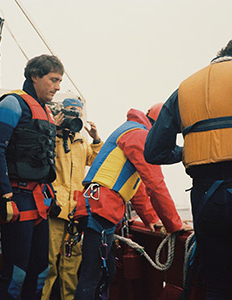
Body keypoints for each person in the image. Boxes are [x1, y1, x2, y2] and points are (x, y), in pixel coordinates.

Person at [144, 40, 232, 300]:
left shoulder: (185, 89)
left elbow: (153, 151)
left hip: (207, 199)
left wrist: (190, 150)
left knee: (217, 284)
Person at [73, 106, 189, 300]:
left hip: (100, 209)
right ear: (160, 127)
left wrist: (151, 218)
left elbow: (138, 189)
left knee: (105, 271)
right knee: (94, 274)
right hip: (101, 209)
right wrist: (174, 225)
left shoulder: (132, 131)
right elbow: (155, 184)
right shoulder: (139, 135)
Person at [0, 54, 64, 300]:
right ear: (34, 76)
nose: (58, 86)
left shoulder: (47, 113)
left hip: (39, 200)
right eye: (53, 80)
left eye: (59, 81)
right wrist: (5, 193)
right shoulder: (12, 103)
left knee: (41, 270)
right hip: (16, 197)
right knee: (16, 273)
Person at [41, 98, 103, 300]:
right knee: (48, 262)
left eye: (76, 115)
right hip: (54, 208)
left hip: (75, 210)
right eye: (69, 113)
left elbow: (96, 163)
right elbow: (39, 155)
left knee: (72, 263)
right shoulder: (51, 138)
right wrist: (53, 130)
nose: (72, 119)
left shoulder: (81, 141)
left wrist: (95, 139)